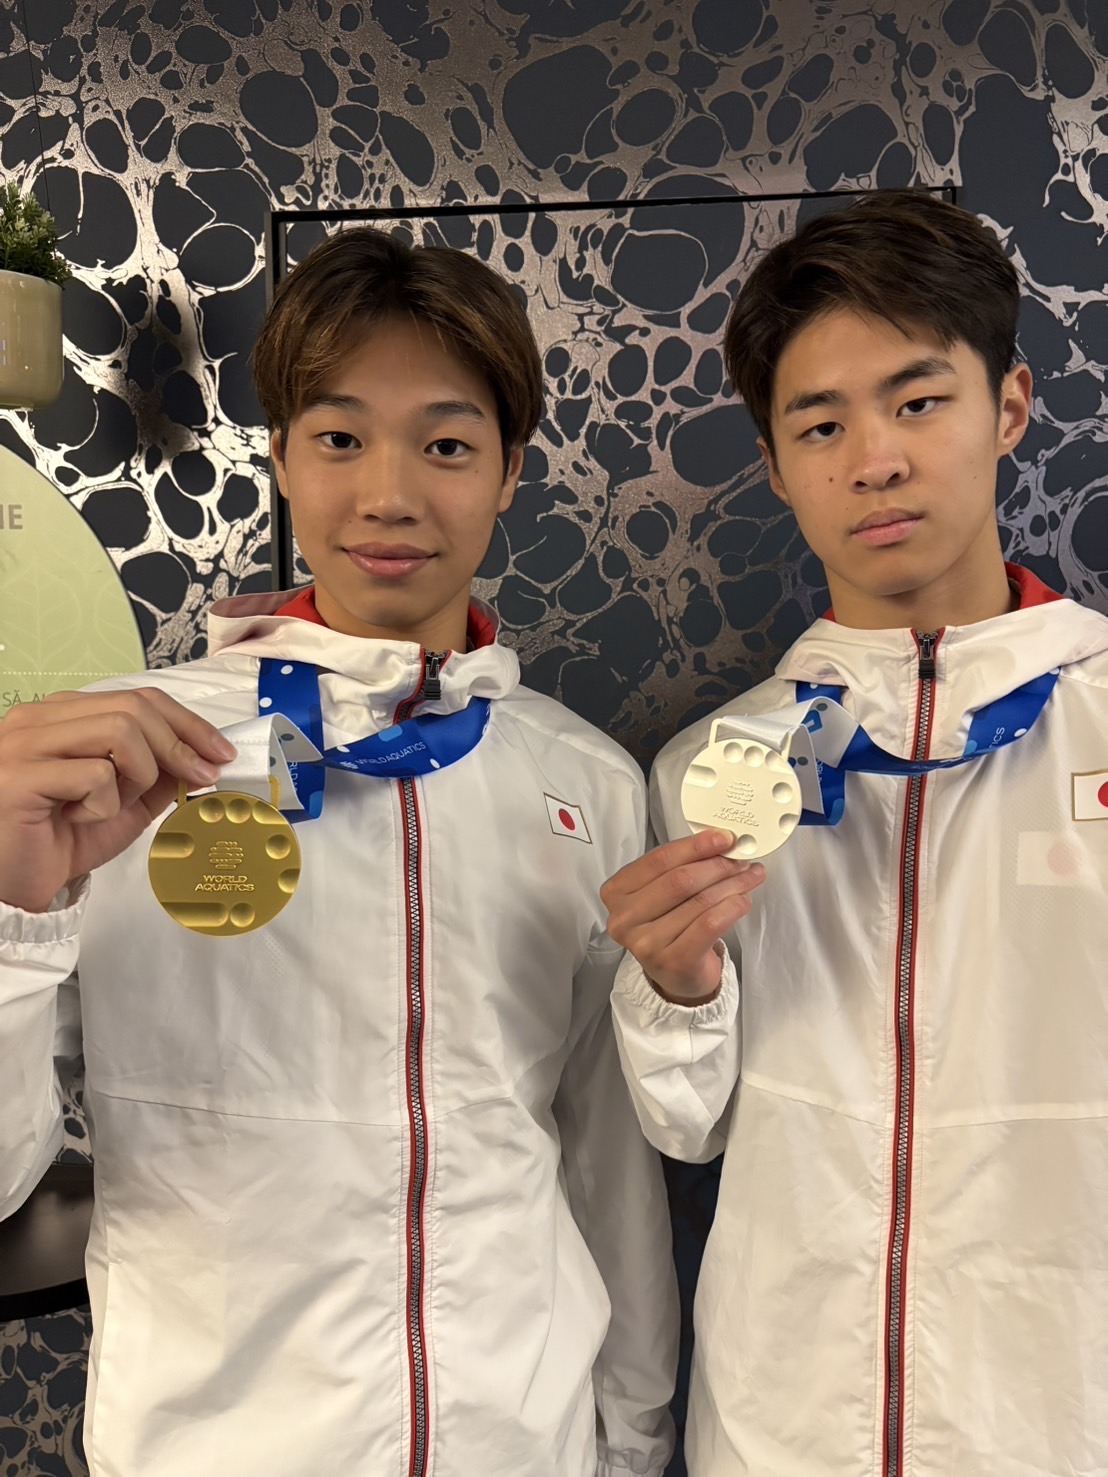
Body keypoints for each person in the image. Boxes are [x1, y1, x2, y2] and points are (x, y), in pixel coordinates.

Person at [0, 227, 677, 1477]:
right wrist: (9, 909)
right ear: (280, 455)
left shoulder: (581, 781)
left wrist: (631, 1435)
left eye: (447, 444)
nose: (388, 496)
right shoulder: (117, 764)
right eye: (340, 437)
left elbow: (600, 1148)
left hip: (520, 1446)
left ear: (510, 469)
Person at [603, 190, 1108, 1476]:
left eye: (917, 400)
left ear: (1007, 406)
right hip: (784, 1422)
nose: (872, 460)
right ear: (776, 465)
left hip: (1059, 1413)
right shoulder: (711, 769)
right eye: (820, 424)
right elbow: (688, 1127)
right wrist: (676, 988)